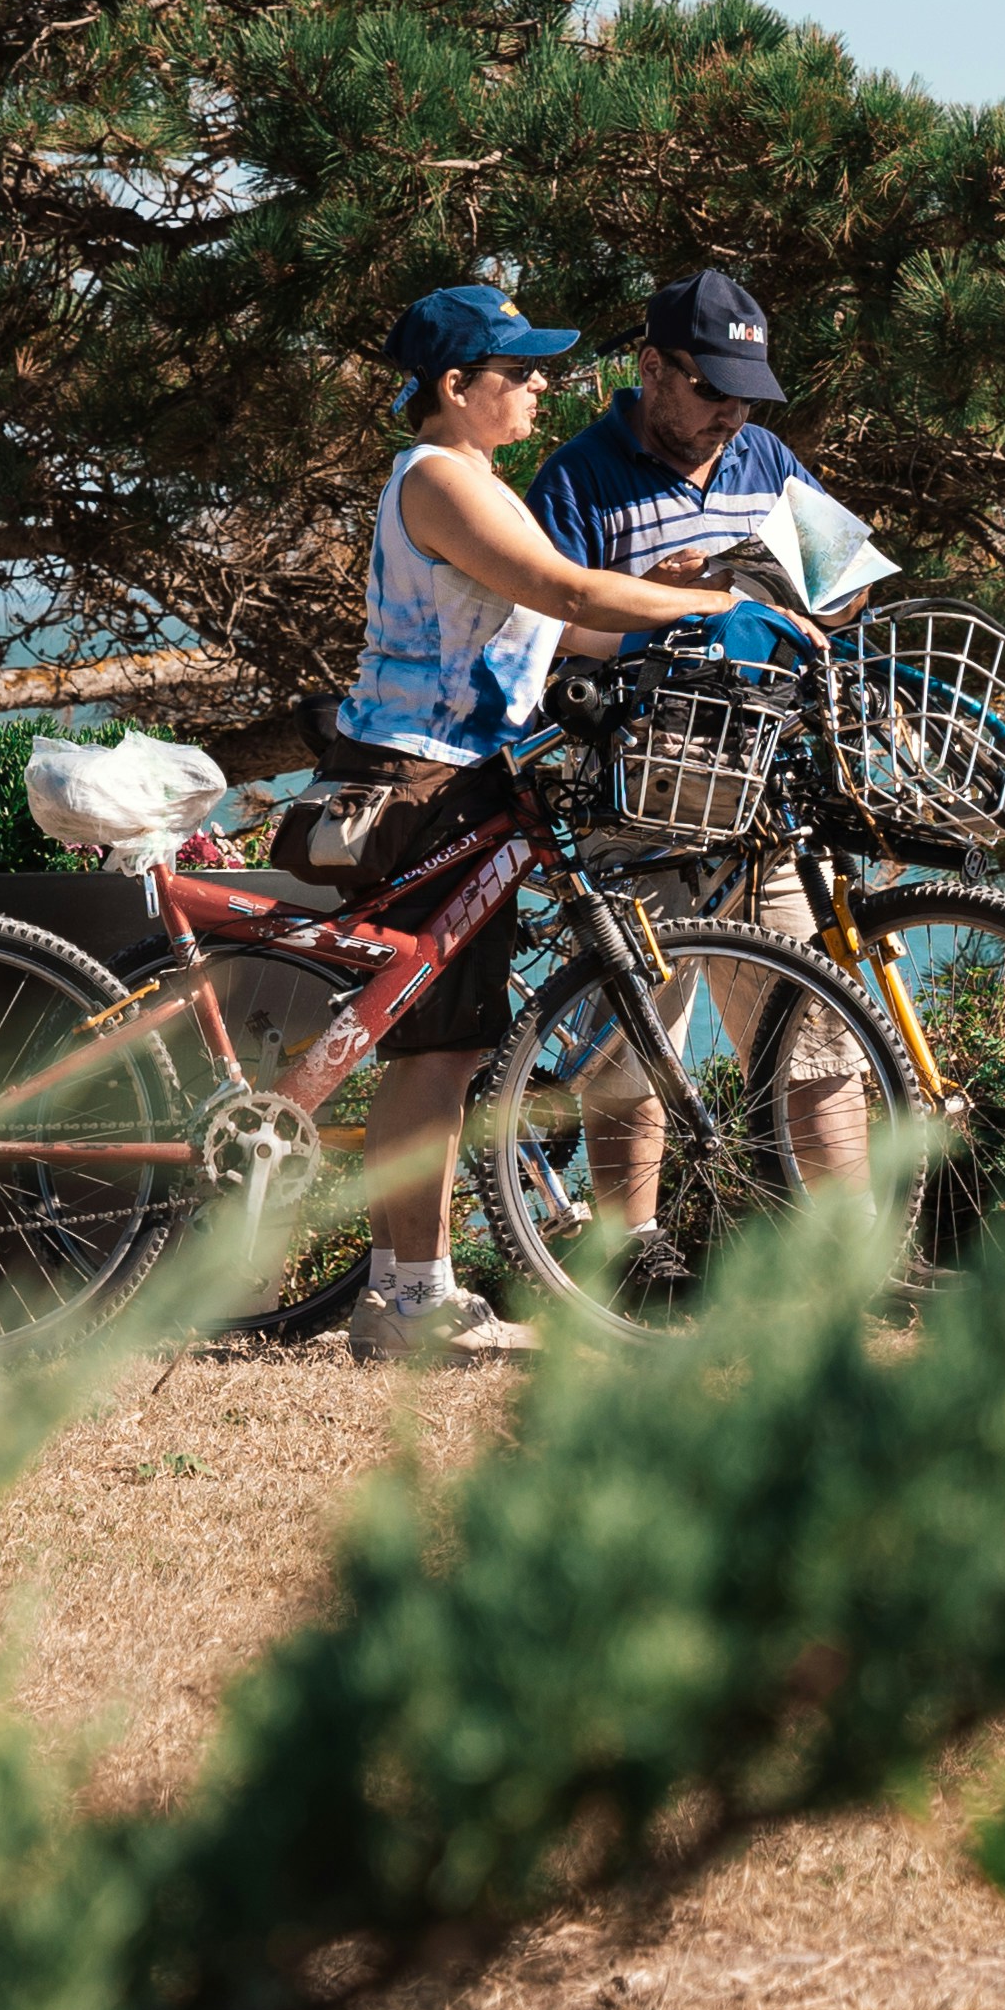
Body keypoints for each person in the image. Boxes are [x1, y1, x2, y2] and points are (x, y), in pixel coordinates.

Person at [322, 281, 740, 1360]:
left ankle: (402, 1288)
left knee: (447, 1041)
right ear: (458, 389)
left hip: (466, 775)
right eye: (519, 372)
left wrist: (669, 606)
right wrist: (714, 608)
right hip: (425, 776)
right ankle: (409, 1299)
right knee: (437, 1048)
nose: (542, 386)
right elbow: (573, 593)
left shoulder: (482, 484)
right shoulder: (439, 481)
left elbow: (573, 626)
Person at [525, 265, 879, 1204]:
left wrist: (761, 582)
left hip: (755, 793)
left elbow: (851, 588)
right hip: (630, 794)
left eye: (749, 395)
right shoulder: (576, 476)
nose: (734, 414)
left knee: (816, 1038)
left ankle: (857, 1261)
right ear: (652, 368)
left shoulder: (767, 460)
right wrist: (664, 602)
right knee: (628, 1050)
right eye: (714, 388)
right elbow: (544, 631)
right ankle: (628, 1257)